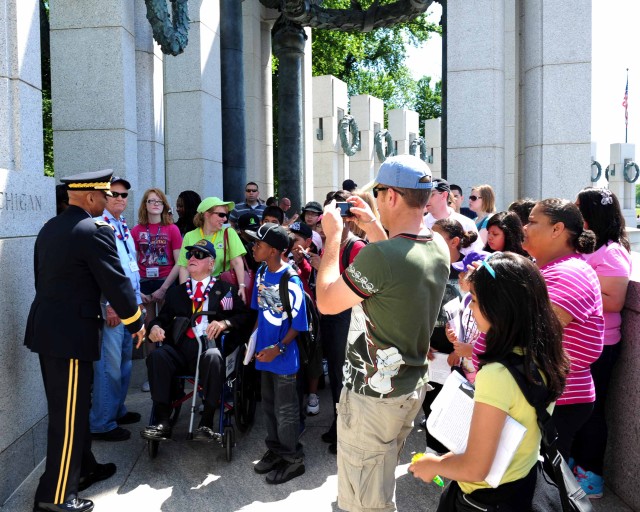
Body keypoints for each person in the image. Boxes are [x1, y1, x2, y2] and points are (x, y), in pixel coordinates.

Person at [316, 155, 450, 512]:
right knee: (380, 477)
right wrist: (374, 225)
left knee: (365, 503)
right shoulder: (437, 245)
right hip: (408, 388)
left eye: (378, 192)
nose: (374, 198)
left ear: (390, 195)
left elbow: (327, 302)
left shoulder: (382, 258)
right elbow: (396, 259)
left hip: (372, 399)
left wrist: (334, 237)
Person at [25, 169, 145, 512]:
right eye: (106, 196)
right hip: (70, 336)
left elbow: (42, 279)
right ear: (90, 196)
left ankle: (84, 469)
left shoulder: (52, 226)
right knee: (68, 417)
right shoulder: (93, 231)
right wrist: (136, 322)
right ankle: (54, 497)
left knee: (74, 409)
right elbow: (116, 282)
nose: (109, 201)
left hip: (51, 329)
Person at [409, 252, 568, 512]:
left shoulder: (496, 375)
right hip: (523, 481)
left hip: (488, 499)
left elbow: (475, 467)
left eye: (476, 299)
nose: (469, 306)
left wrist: (432, 466)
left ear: (500, 307)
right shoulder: (543, 354)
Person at [140, 239, 253, 442]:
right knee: (157, 356)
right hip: (181, 349)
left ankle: (207, 423)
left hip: (210, 349)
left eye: (199, 255)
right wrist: (154, 327)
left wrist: (224, 323)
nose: (192, 258)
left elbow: (244, 317)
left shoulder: (225, 289)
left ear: (211, 263)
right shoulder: (176, 292)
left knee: (213, 357)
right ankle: (162, 421)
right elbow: (161, 319)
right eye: (190, 254)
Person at [522, 198, 604, 460]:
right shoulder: (553, 268)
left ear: (557, 229)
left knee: (546, 482)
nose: (524, 227)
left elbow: (539, 330)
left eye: (533, 221)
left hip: (561, 397)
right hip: (551, 392)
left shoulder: (570, 272)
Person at [571, 187, 632, 498]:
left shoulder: (611, 252)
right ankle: (573, 464)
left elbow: (615, 300)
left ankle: (591, 474)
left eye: (580, 208)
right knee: (577, 408)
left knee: (592, 411)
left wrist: (572, 290)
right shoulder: (588, 246)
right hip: (580, 341)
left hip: (601, 344)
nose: (576, 213)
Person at [247, 223, 308, 485]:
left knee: (287, 411)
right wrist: (254, 343)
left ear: (273, 251)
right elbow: (259, 313)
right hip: (264, 356)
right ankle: (276, 449)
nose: (253, 248)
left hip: (283, 358)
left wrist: (278, 348)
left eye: (258, 244)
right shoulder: (261, 272)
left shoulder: (290, 280)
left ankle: (293, 458)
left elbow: (299, 324)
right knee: (270, 408)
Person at [89, 176, 143, 442]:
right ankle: (101, 422)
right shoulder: (100, 226)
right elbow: (103, 272)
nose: (121, 198)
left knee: (124, 364)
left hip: (129, 305)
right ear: (104, 197)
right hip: (112, 308)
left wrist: (137, 299)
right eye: (116, 194)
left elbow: (129, 267)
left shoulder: (122, 225)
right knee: (108, 366)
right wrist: (109, 304)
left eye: (124, 195)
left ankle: (116, 410)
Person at [177, 197, 247, 303]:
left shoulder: (229, 233)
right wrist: (184, 291)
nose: (225, 219)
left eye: (226, 215)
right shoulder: (190, 236)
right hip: (196, 288)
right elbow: (184, 267)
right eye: (221, 215)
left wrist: (241, 286)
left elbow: (237, 262)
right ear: (206, 214)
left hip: (221, 288)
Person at [424, 178, 484, 254]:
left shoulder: (466, 223)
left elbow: (477, 254)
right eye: (424, 194)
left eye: (431, 194)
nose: (426, 199)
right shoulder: (420, 224)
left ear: (444, 195)